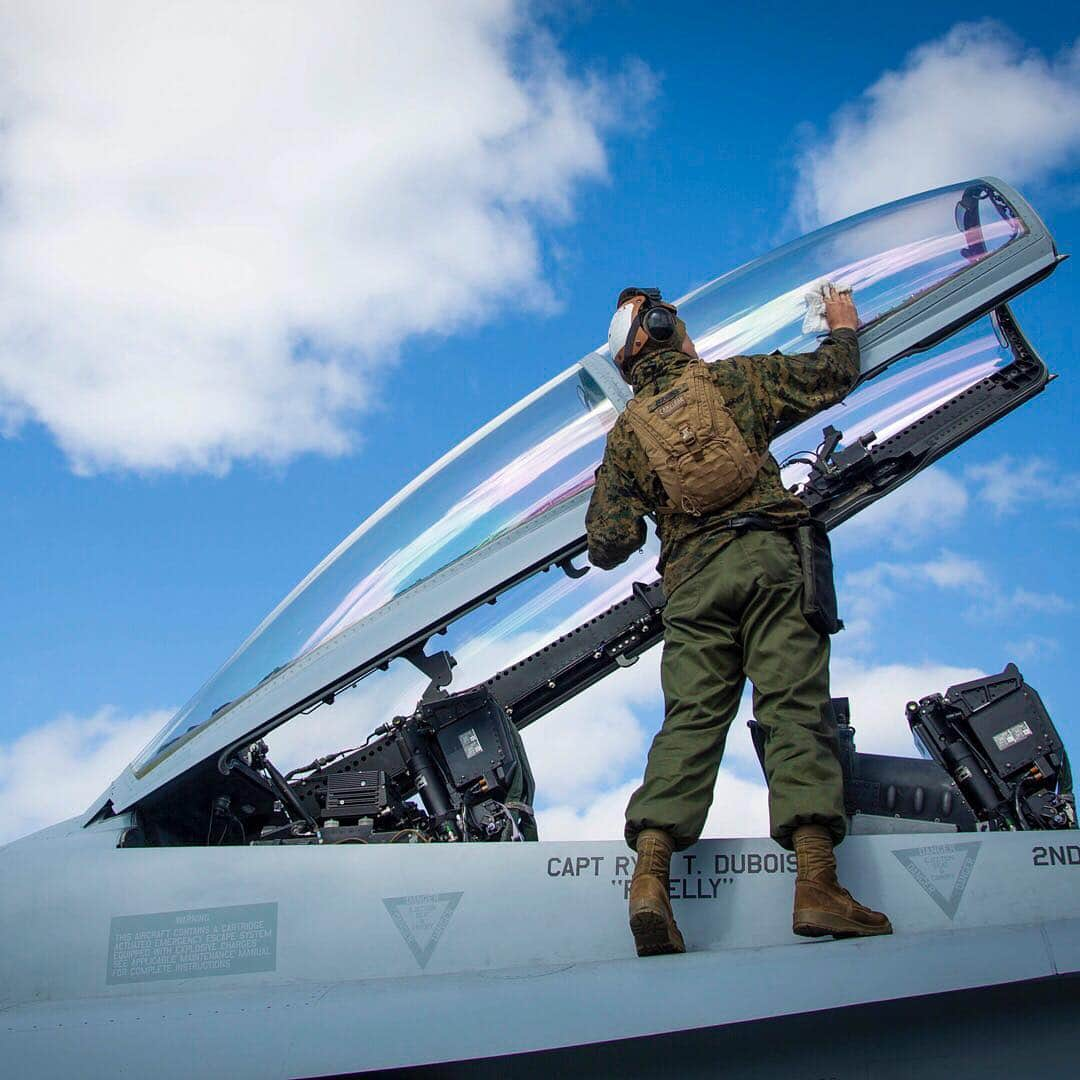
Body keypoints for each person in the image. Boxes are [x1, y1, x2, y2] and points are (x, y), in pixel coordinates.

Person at [585, 286, 892, 956]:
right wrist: (842, 328)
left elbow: (606, 543)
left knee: (690, 722)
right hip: (767, 562)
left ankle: (650, 883)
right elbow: (832, 375)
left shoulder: (626, 437)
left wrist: (647, 503)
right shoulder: (737, 381)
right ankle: (817, 886)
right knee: (792, 710)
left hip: (693, 587)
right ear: (666, 330)